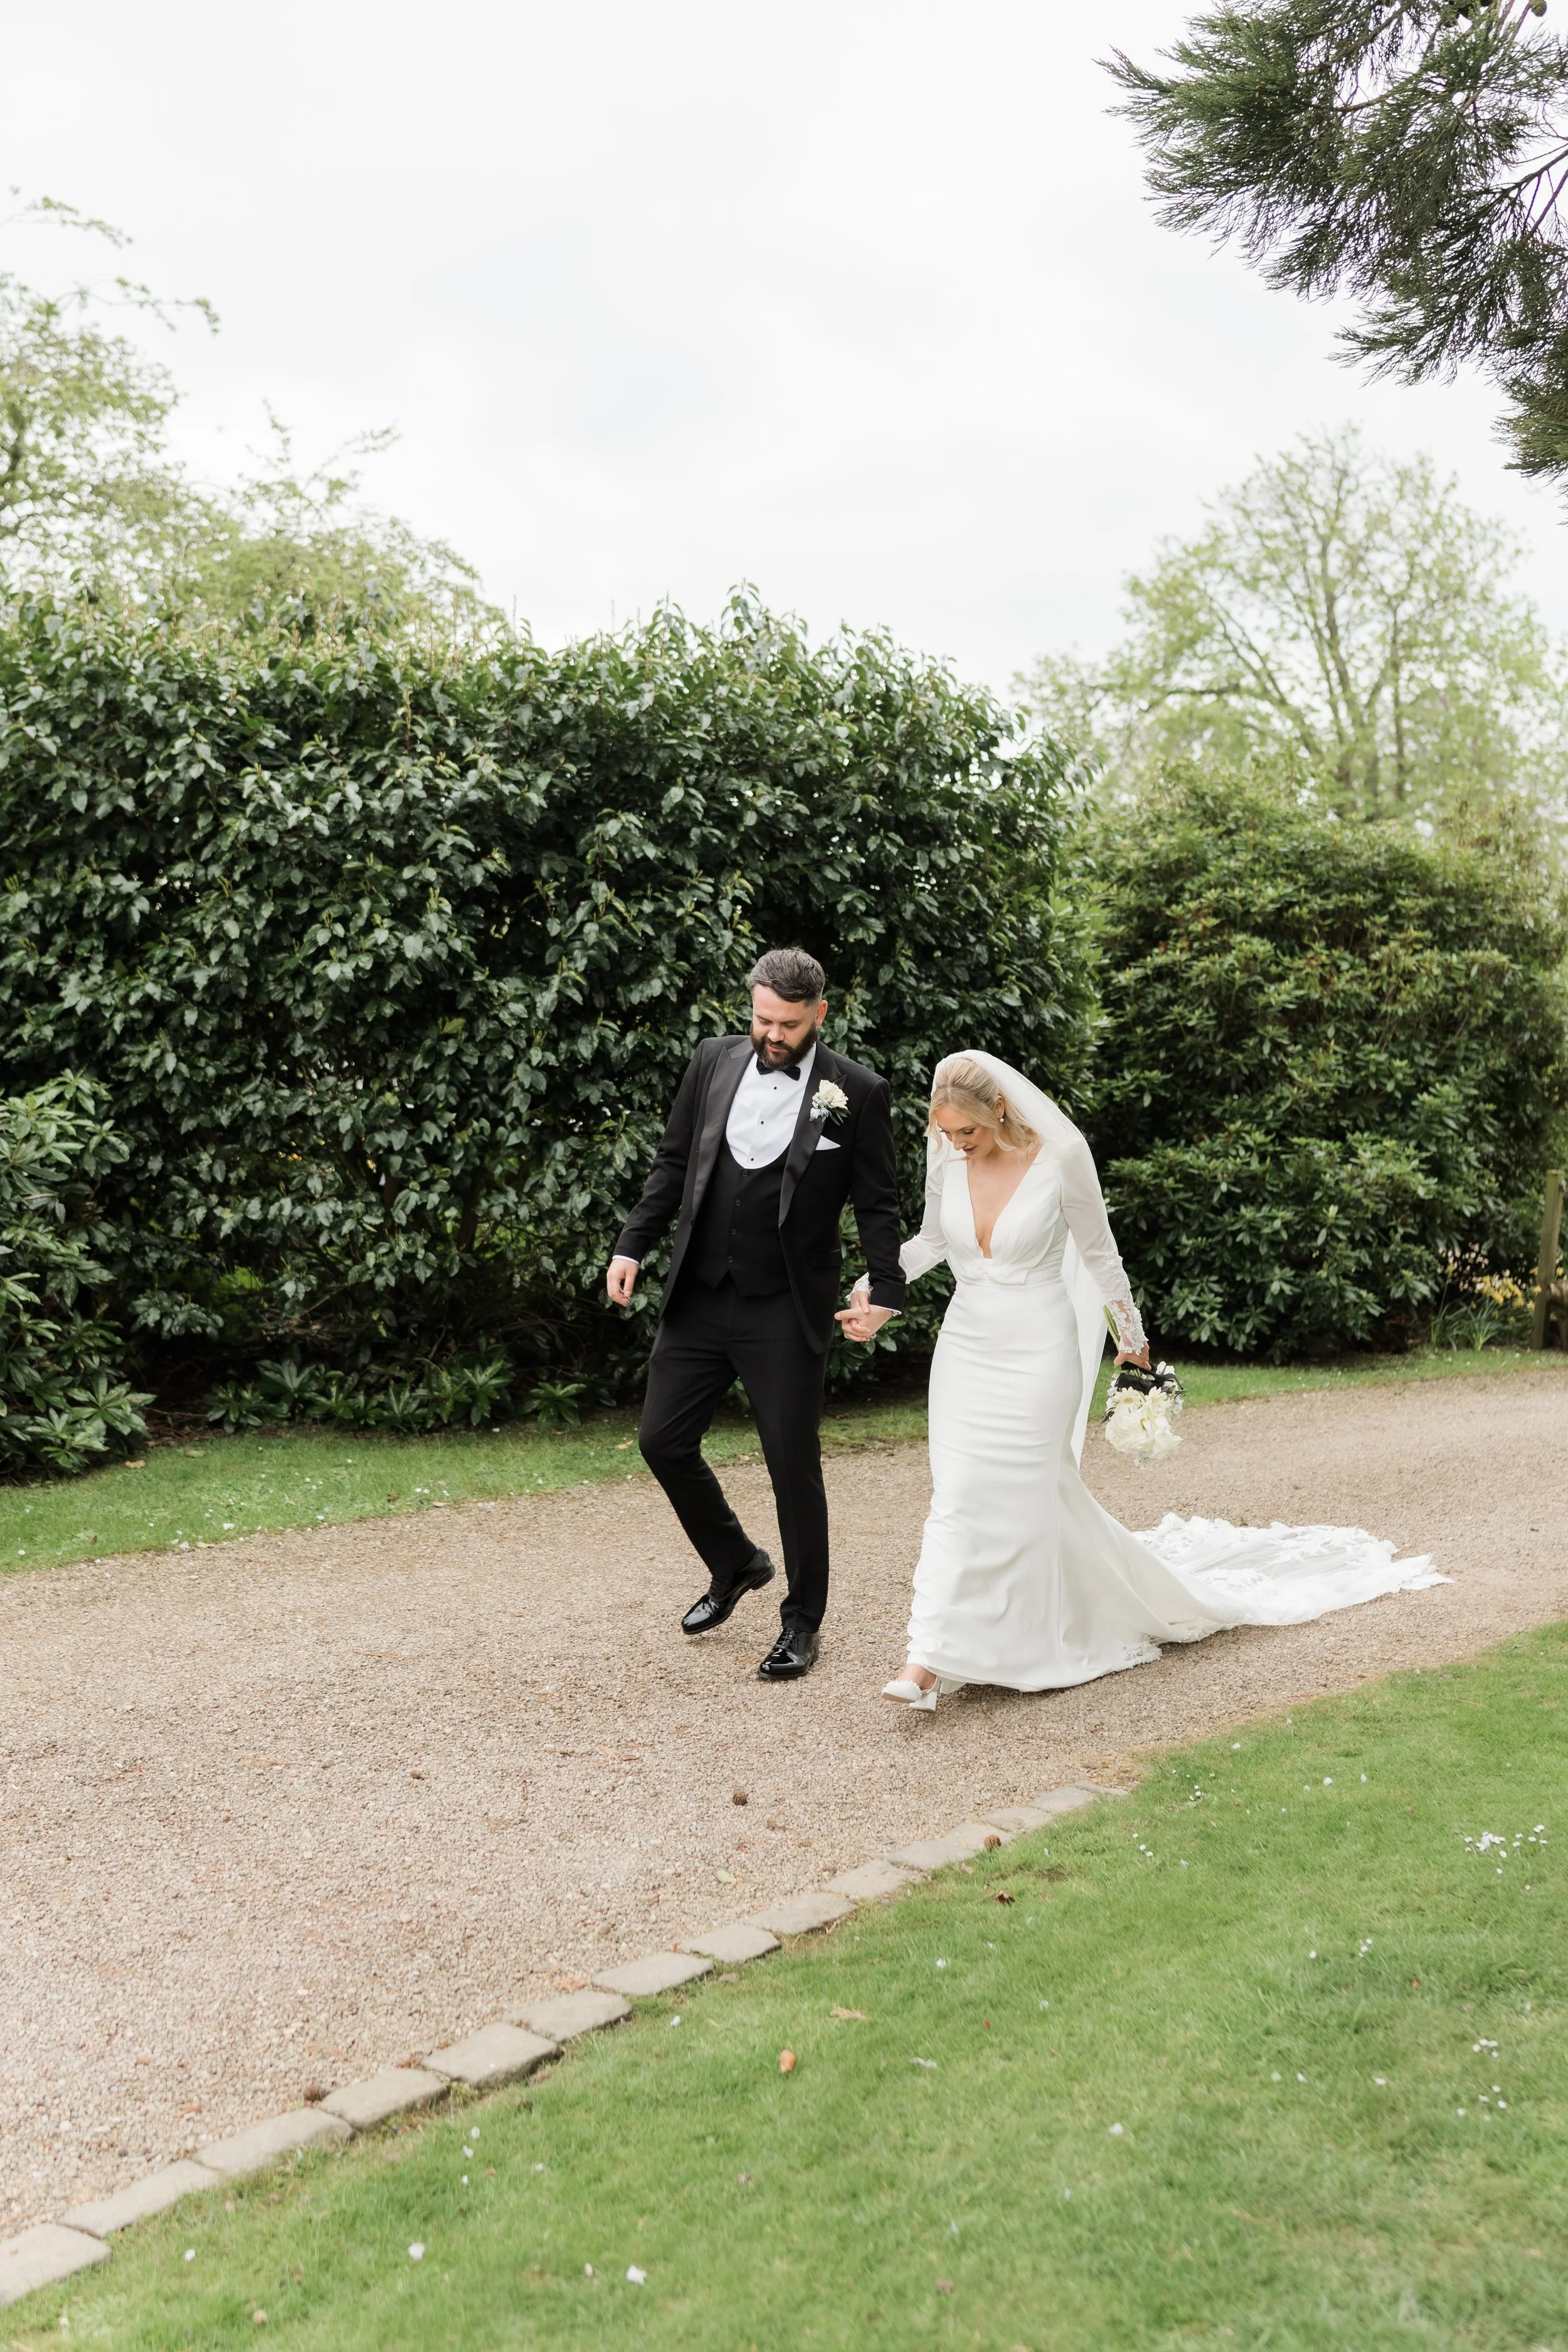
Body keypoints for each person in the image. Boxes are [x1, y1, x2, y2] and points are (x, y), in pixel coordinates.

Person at [840, 1051, 1441, 1712]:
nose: (956, 1144)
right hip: (966, 1346)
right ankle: (928, 1655)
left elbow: (1099, 1255)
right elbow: (929, 1242)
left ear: (1000, 1111)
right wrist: (875, 1287)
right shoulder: (948, 1159)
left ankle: (962, 1650)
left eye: (968, 1133)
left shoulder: (1060, 1159)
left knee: (1023, 1492)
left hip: (1039, 1348)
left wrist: (1131, 1337)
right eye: (947, 1134)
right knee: (956, 1495)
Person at [606, 950, 906, 1680]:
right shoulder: (712, 1061)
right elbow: (674, 1162)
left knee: (791, 1466)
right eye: (763, 1019)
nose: (773, 1035)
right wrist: (632, 1244)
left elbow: (877, 1201)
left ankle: (802, 1624)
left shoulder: (856, 1092)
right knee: (661, 1441)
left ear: (820, 1015)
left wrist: (887, 1287)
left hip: (783, 1306)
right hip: (701, 1294)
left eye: (789, 1025)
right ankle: (736, 1561)